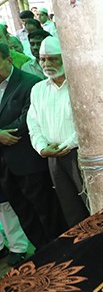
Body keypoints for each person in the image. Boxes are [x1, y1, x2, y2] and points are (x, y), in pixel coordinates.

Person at [0, 42, 66, 250]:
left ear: (8, 60)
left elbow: (25, 122)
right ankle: (42, 253)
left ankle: (60, 250)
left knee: (46, 209)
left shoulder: (29, 83)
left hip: (29, 161)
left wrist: (4, 134)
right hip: (4, 166)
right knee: (23, 212)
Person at [26, 36, 90, 226]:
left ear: (66, 58)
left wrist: (66, 145)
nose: (46, 64)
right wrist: (41, 147)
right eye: (43, 59)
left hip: (79, 153)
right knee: (70, 209)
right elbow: (33, 123)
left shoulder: (79, 86)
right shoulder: (38, 89)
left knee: (91, 204)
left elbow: (87, 123)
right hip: (53, 157)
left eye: (53, 58)